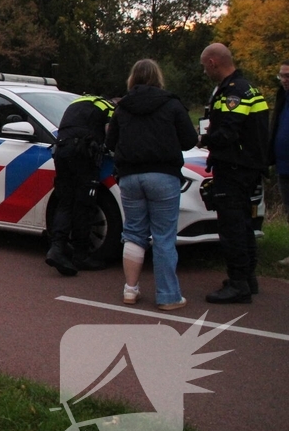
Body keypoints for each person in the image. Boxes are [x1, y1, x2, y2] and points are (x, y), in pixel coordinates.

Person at [105, 59, 198, 310]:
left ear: (132, 78)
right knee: (163, 237)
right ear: (158, 77)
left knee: (134, 233)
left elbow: (111, 142)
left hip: (130, 177)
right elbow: (189, 140)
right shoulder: (172, 104)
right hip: (164, 175)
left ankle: (130, 290)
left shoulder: (122, 107)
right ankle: (168, 296)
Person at [199, 43, 269, 303]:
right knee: (244, 224)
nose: (205, 71)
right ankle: (247, 278)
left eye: (205, 65)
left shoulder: (233, 93)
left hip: (233, 167)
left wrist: (205, 141)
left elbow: (228, 131)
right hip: (248, 167)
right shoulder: (248, 87)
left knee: (231, 227)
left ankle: (238, 283)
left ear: (214, 62)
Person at [46, 94, 115, 276]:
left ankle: (57, 249)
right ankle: (81, 255)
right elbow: (111, 133)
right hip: (84, 153)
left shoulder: (76, 103)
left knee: (65, 201)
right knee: (84, 203)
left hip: (61, 150)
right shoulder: (109, 107)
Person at [268, 59, 289, 265]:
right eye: (281, 76)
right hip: (283, 164)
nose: (284, 80)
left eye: (288, 76)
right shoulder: (282, 96)